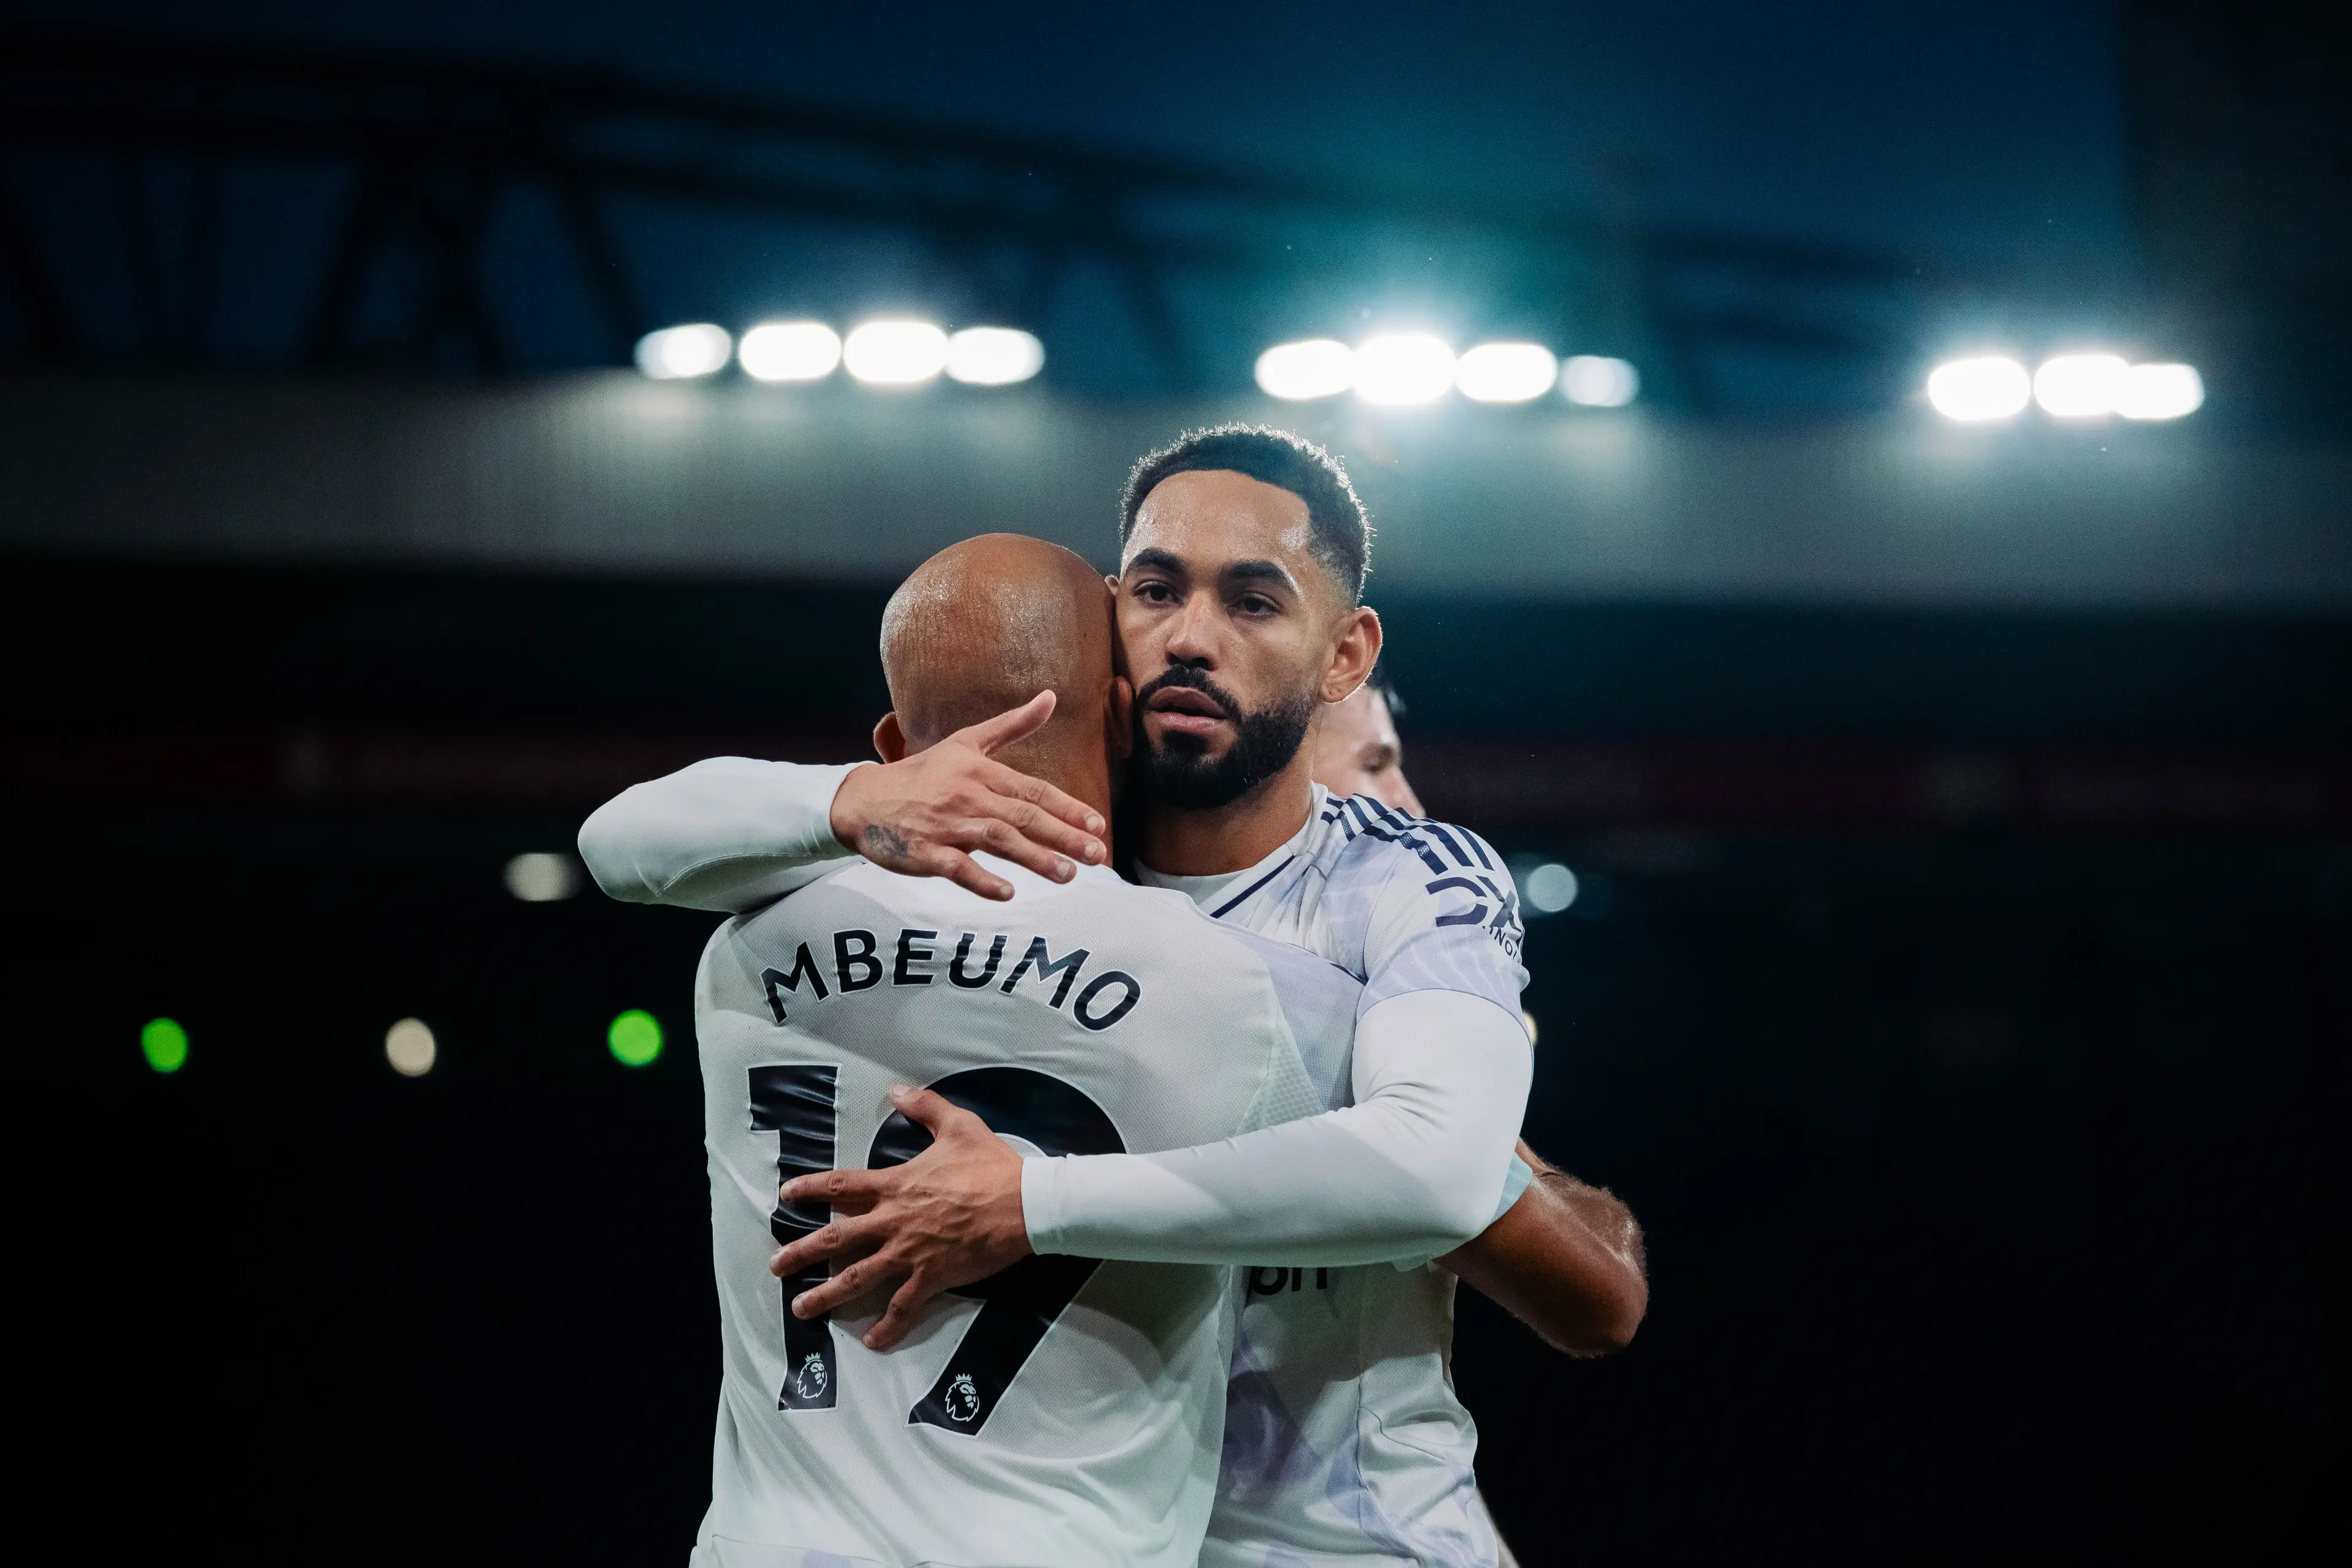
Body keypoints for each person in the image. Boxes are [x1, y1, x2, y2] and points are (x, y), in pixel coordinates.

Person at [581, 425, 1645, 1567]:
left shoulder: (1400, 885)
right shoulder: (1012, 867)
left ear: (1344, 659)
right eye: (1155, 590)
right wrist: (859, 797)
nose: (1191, 637)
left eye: (1252, 602)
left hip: (1342, 1545)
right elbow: (623, 836)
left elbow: (1516, 1232)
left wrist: (1034, 1203)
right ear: (1100, 622)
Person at [685, 533, 1368, 1567]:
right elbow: (1429, 1190)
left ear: (888, 740)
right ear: (1124, 715)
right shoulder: (1242, 993)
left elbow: (634, 840)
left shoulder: (742, 948)